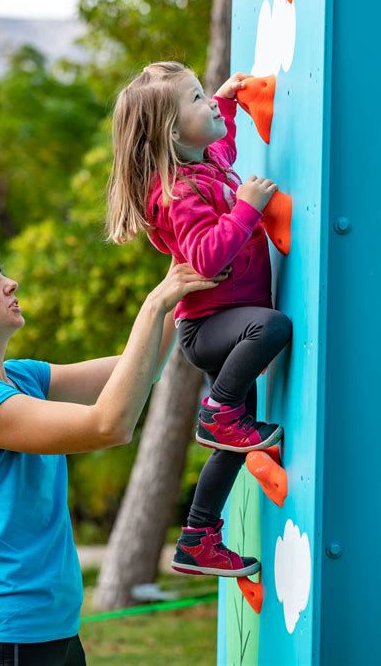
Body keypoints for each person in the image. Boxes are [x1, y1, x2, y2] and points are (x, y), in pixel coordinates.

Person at [0, 234, 228, 666]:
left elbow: (142, 367)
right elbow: (108, 426)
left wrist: (185, 263)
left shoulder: (22, 377)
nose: (11, 284)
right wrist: (154, 304)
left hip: (54, 631)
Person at [106, 61, 293, 578]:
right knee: (273, 327)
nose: (206, 102)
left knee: (235, 444)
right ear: (171, 131)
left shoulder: (205, 162)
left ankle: (197, 537)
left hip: (227, 325)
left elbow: (224, 146)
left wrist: (226, 101)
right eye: (195, 98)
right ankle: (218, 410)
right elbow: (208, 256)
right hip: (212, 329)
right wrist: (249, 208)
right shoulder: (176, 194)